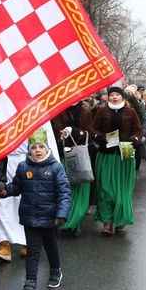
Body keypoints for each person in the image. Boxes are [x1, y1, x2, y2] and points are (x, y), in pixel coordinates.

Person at [0, 130, 71, 290]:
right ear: (29, 150)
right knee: (33, 251)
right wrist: (5, 190)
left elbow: (64, 193)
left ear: (46, 149)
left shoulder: (56, 168)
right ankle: (30, 283)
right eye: (34, 147)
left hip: (50, 218)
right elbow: (16, 187)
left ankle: (55, 270)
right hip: (30, 218)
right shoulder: (23, 167)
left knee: (51, 248)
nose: (38, 150)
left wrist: (61, 214)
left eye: (41, 147)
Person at [92, 86, 143, 235]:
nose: (114, 97)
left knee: (123, 189)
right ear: (108, 97)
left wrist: (135, 139)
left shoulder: (131, 112)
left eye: (117, 95)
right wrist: (101, 137)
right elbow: (94, 129)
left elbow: (138, 130)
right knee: (106, 189)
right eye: (111, 95)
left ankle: (121, 221)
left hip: (126, 152)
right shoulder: (102, 111)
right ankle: (107, 223)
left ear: (122, 97)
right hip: (107, 154)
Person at [51, 100, 94, 238]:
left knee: (81, 189)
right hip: (63, 155)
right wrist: (61, 135)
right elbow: (56, 130)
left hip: (80, 156)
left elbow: (90, 133)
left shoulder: (86, 112)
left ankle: (77, 222)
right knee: (65, 188)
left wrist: (74, 131)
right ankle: (65, 219)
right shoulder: (58, 111)